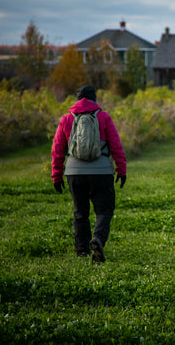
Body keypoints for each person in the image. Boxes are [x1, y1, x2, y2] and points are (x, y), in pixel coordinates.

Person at [51, 86, 127, 263]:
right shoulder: (104, 117)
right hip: (101, 172)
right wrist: (121, 169)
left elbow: (57, 149)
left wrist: (57, 174)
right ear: (94, 99)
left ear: (77, 100)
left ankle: (82, 251)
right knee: (104, 210)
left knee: (80, 213)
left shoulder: (66, 119)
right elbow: (116, 146)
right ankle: (98, 239)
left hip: (74, 172)